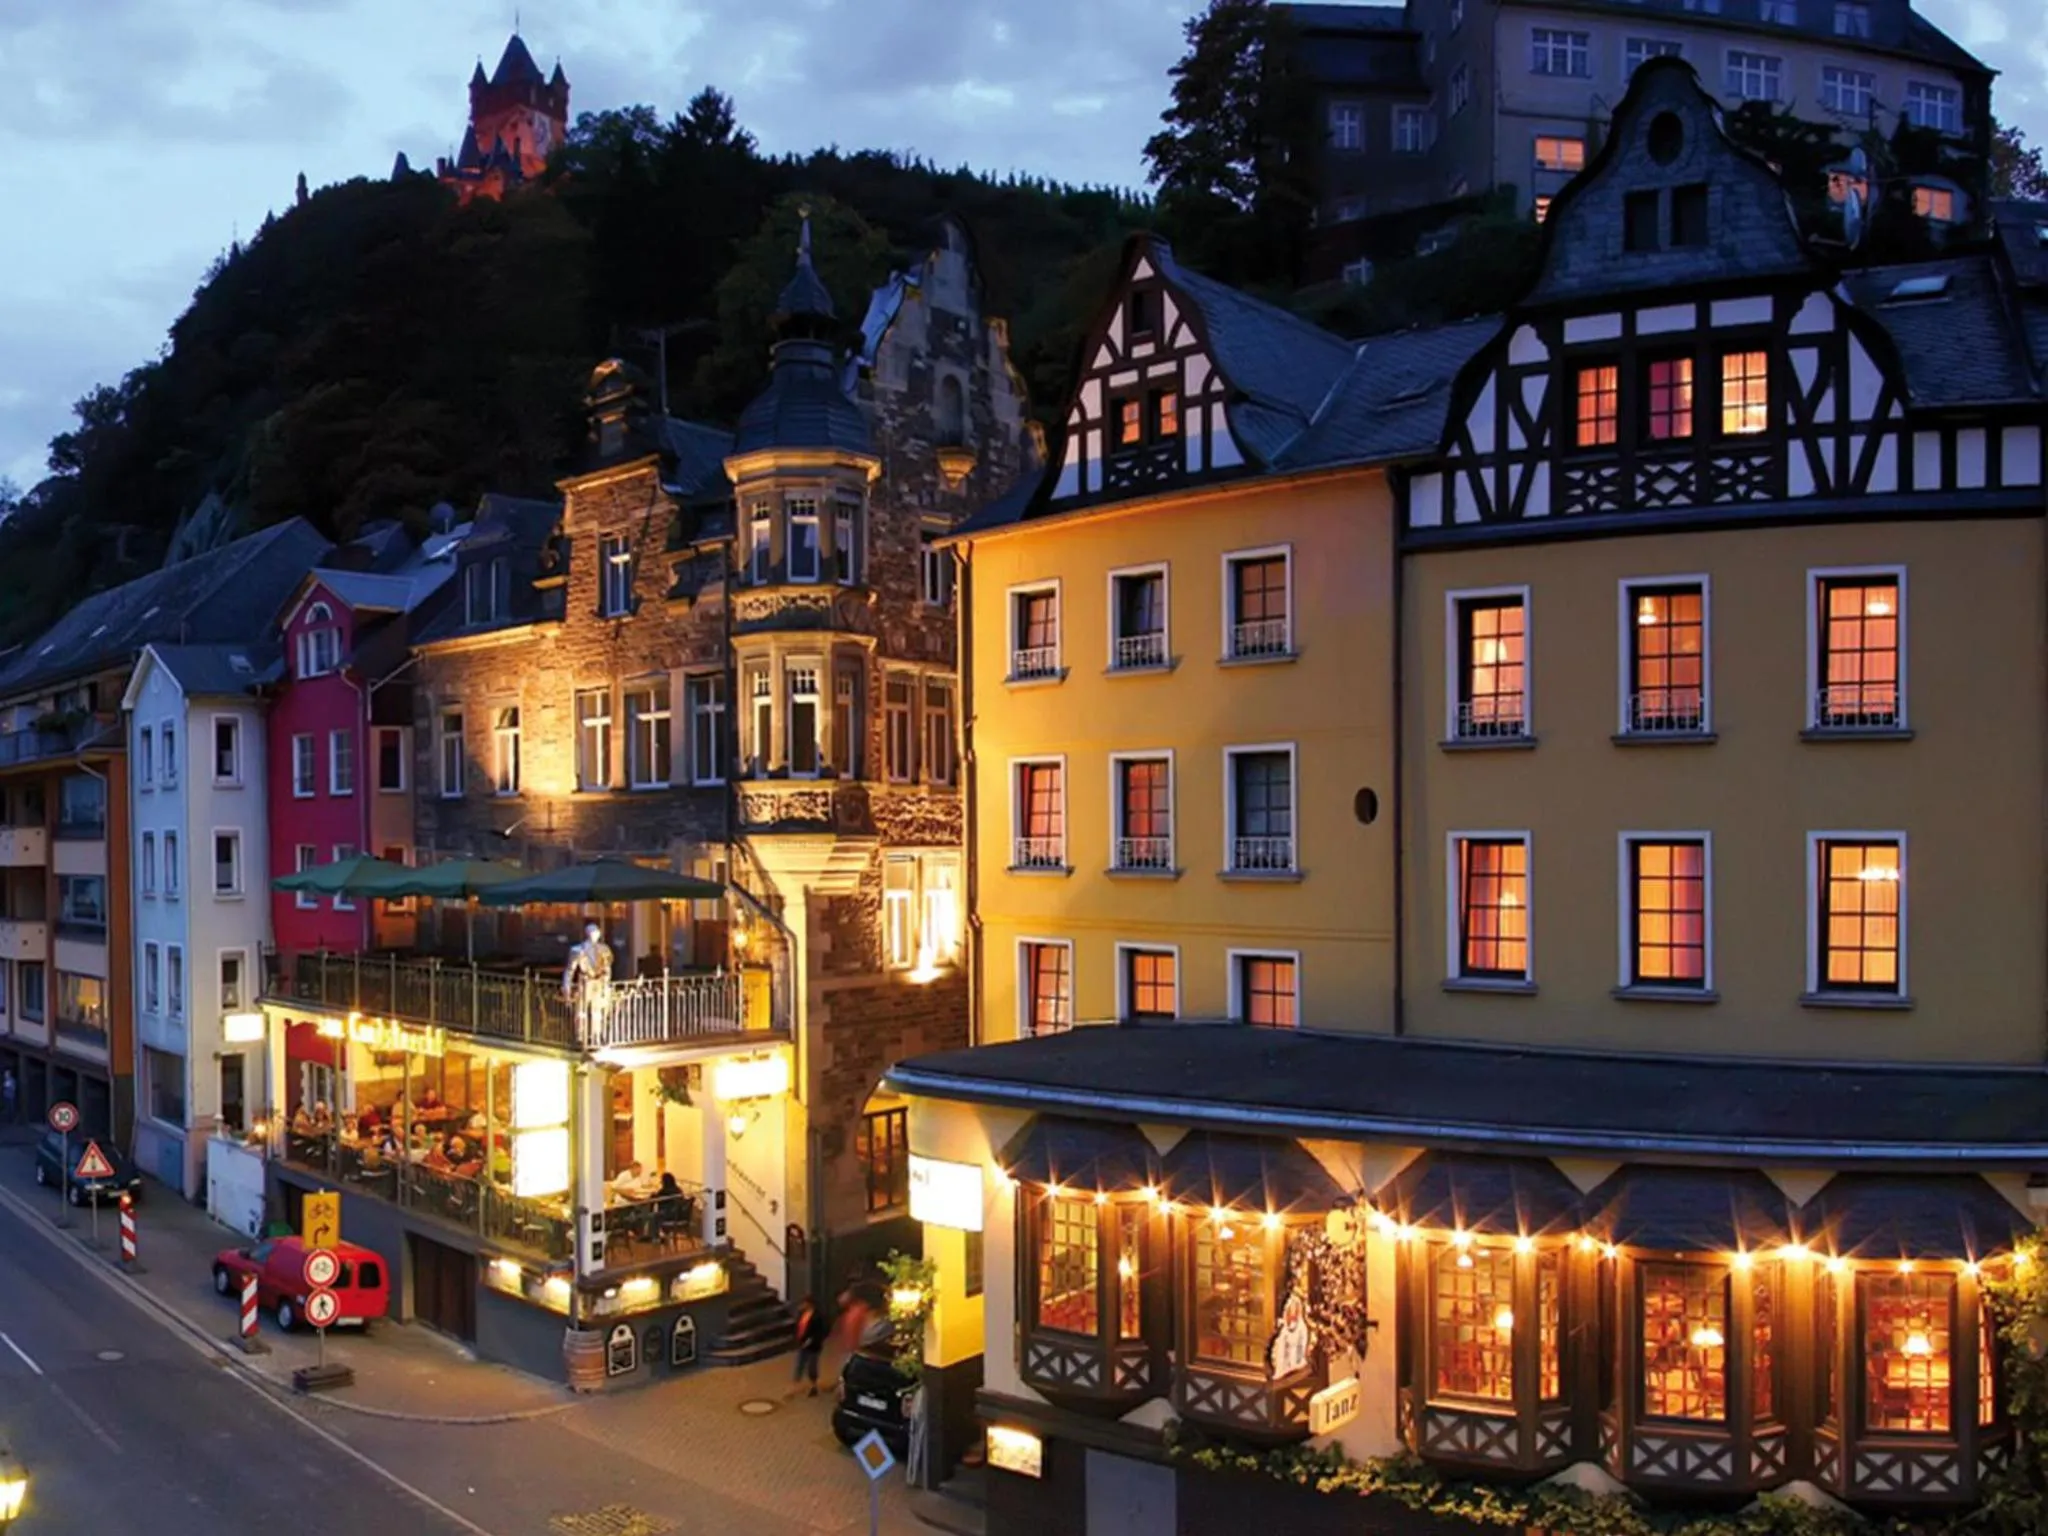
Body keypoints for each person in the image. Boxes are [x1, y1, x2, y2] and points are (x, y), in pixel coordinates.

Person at [791, 1295, 830, 1397]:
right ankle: (795, 1385)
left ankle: (813, 1386)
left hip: (813, 1346)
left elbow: (822, 1331)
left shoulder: (818, 1316)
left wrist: (813, 1339)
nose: (802, 1305)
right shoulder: (801, 1314)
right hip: (802, 1344)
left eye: (805, 1303)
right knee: (799, 1364)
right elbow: (798, 1327)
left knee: (812, 1366)